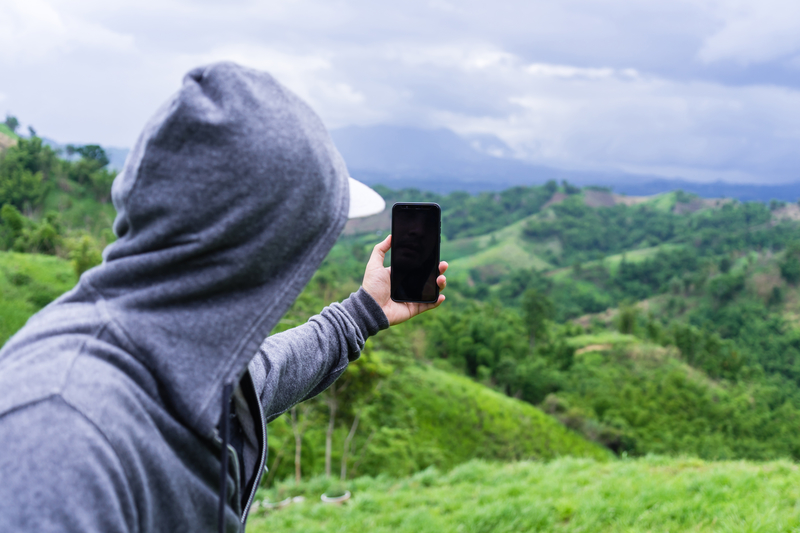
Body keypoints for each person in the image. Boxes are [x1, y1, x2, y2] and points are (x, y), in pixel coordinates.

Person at [0, 62, 447, 532]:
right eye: (305, 243)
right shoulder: (56, 433)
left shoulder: (181, 353)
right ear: (252, 250)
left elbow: (267, 372)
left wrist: (362, 314)